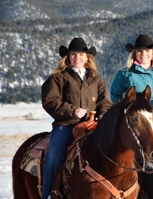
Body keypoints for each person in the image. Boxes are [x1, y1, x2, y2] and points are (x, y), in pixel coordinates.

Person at [41, 37, 113, 199]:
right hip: (66, 125)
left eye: (81, 55)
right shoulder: (58, 78)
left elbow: (106, 103)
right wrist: (72, 111)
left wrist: (103, 114)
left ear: (87, 58)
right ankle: (48, 194)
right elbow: (50, 101)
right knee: (54, 156)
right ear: (68, 57)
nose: (77, 58)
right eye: (73, 54)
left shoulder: (97, 81)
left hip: (92, 126)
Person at [110, 34, 153, 115]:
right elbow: (114, 94)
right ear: (135, 53)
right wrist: (125, 107)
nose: (143, 54)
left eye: (147, 51)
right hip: (137, 117)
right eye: (139, 51)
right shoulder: (125, 73)